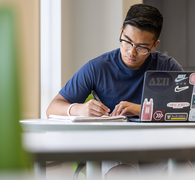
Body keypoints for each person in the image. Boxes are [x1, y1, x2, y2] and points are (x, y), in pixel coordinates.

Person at [46, 4, 187, 179]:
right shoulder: (97, 67)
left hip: (156, 145)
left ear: (154, 46)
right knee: (123, 174)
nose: (131, 52)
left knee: (182, 170)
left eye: (142, 47)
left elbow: (187, 110)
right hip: (115, 145)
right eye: (127, 41)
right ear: (121, 32)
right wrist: (78, 109)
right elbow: (52, 108)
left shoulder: (167, 67)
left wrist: (141, 109)